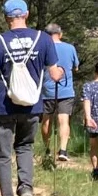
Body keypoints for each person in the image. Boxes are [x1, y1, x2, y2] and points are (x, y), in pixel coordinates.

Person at [0, 0, 64, 196]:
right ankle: (26, 188)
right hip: (32, 106)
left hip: (4, 106)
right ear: (27, 14)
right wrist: (60, 74)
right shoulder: (43, 39)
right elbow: (54, 72)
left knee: (2, 154)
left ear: (6, 17)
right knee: (25, 147)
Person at [39, 23, 80, 166]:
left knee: (46, 120)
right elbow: (76, 67)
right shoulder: (70, 48)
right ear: (60, 34)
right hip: (66, 90)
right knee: (64, 120)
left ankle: (47, 148)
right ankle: (62, 150)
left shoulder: (43, 48)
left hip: (46, 89)